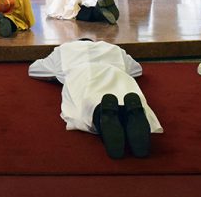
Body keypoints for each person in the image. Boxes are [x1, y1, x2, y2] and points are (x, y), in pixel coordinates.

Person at [29, 39, 163, 159]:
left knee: (88, 102)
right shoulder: (113, 48)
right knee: (125, 91)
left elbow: (34, 70)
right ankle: (132, 113)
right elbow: (137, 69)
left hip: (81, 73)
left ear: (76, 41)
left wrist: (55, 75)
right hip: (114, 72)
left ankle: (101, 114)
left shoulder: (64, 49)